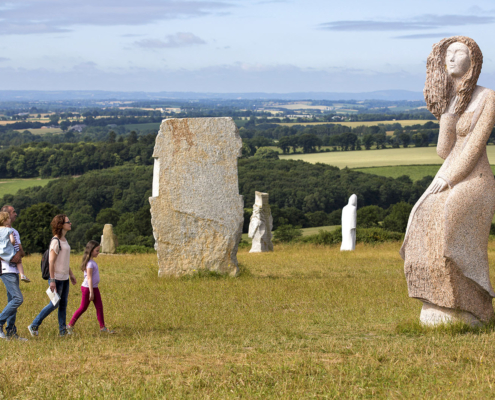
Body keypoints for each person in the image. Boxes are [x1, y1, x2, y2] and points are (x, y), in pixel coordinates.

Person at [400, 36, 495, 323]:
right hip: (448, 172)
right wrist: (448, 112)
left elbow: (474, 148)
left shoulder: (488, 97)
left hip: (474, 179)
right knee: (421, 214)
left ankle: (472, 303)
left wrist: (449, 179)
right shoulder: (453, 101)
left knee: (448, 214)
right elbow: (444, 151)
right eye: (448, 54)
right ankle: (439, 297)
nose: (452, 58)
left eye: (459, 52)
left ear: (473, 60)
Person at [28, 214, 77, 337]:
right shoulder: (56, 241)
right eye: (68, 222)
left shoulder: (64, 240)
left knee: (63, 305)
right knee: (54, 304)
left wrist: (71, 275)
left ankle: (62, 331)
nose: (70, 223)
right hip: (57, 278)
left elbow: (64, 260)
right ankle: (34, 325)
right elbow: (51, 262)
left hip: (64, 278)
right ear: (61, 225)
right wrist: (52, 280)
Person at [67, 240, 115, 334]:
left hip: (94, 288)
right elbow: (89, 277)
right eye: (97, 250)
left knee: (99, 307)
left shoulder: (92, 262)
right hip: (88, 289)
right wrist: (91, 292)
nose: (98, 252)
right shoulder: (89, 263)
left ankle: (102, 328)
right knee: (83, 308)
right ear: (91, 250)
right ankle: (69, 326)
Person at [0, 205, 27, 341]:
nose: (16, 214)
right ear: (6, 215)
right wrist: (7, 257)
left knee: (12, 301)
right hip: (5, 269)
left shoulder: (14, 231)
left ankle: (11, 331)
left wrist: (18, 255)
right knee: (18, 299)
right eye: (13, 212)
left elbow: (21, 251)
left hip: (14, 269)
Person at [0, 212, 30, 283]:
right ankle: (22, 275)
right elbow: (13, 241)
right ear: (5, 220)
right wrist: (12, 243)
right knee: (18, 261)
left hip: (1, 253)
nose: (10, 219)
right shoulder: (9, 230)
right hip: (9, 252)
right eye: (8, 218)